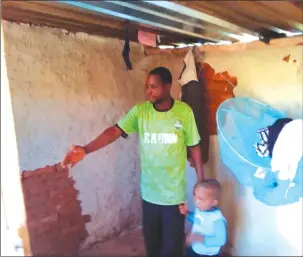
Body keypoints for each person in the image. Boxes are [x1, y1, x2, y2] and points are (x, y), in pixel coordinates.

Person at [61, 67, 204, 257]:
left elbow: (194, 145)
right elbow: (114, 131)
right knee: (153, 246)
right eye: (147, 87)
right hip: (150, 194)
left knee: (172, 247)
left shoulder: (184, 112)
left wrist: (201, 180)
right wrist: (86, 149)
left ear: (167, 86)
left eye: (153, 87)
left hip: (174, 197)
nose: (149, 91)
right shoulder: (141, 111)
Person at [179, 179, 227, 257]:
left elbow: (221, 240)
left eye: (201, 199)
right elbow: (198, 220)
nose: (196, 202)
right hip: (195, 248)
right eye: (195, 197)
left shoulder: (217, 219)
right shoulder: (200, 210)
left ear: (214, 202)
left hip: (208, 254)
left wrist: (199, 238)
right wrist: (187, 214)